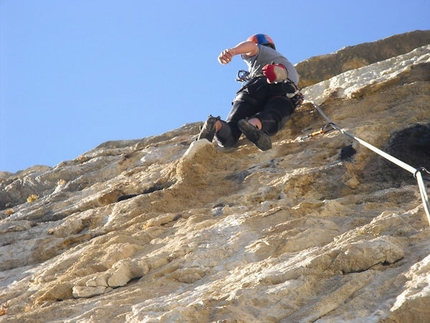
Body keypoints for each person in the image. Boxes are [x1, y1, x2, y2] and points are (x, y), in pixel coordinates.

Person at [198, 33, 302, 151]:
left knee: (231, 133)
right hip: (280, 89)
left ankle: (215, 125)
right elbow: (252, 46)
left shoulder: (262, 51)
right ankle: (253, 125)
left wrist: (233, 51)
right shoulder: (281, 60)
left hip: (251, 89)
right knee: (276, 113)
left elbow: (252, 46)